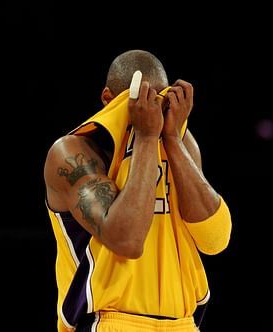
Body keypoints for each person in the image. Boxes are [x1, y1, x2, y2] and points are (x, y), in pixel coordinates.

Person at [43, 49, 232, 332]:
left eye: (159, 102)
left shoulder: (178, 141)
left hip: (183, 322)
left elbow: (215, 239)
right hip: (109, 319)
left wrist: (169, 138)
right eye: (140, 103)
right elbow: (127, 240)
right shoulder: (73, 152)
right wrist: (144, 137)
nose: (152, 112)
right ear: (108, 99)